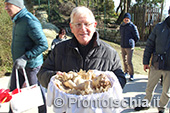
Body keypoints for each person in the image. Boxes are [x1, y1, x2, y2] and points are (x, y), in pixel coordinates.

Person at [37, 6, 126, 90]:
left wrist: (106, 83)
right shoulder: (59, 49)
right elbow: (42, 75)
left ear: (94, 25)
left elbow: (121, 79)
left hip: (98, 105)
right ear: (71, 27)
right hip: (68, 104)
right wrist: (55, 77)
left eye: (87, 24)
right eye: (78, 24)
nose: (83, 29)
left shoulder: (110, 53)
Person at [4, 0, 48, 113]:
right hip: (18, 65)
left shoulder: (29, 21)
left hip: (31, 67)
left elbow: (43, 44)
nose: (6, 8)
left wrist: (25, 57)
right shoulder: (17, 20)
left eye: (8, 5)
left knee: (38, 95)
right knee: (14, 92)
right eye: (5, 5)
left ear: (17, 5)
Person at [134, 9, 170, 113]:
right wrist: (146, 61)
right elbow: (150, 44)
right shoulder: (159, 27)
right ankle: (146, 104)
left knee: (167, 92)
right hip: (157, 63)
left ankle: (162, 108)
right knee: (150, 87)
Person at [120, 13, 140, 81]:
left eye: (127, 18)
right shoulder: (122, 26)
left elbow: (137, 37)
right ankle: (126, 72)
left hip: (129, 47)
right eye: (125, 18)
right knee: (124, 60)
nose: (126, 19)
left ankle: (131, 74)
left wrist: (131, 42)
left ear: (129, 19)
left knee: (129, 61)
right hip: (123, 45)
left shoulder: (132, 26)